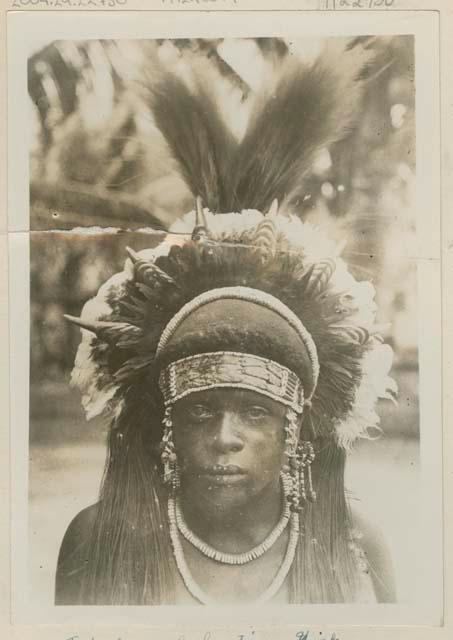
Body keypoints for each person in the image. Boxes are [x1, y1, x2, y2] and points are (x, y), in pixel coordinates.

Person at [55, 41, 397, 605]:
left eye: (256, 412)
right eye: (200, 411)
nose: (224, 440)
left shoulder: (357, 544)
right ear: (167, 426)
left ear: (295, 430)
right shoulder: (97, 539)